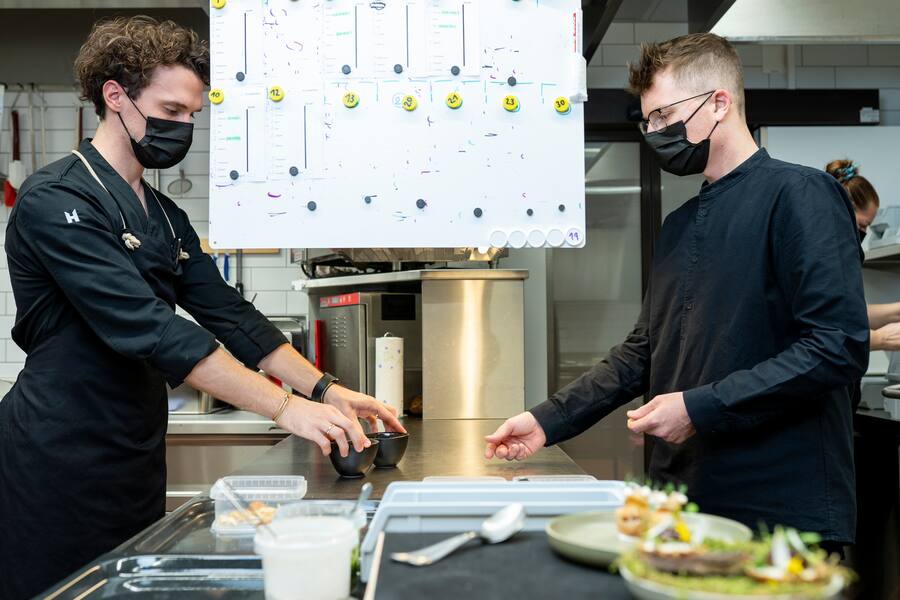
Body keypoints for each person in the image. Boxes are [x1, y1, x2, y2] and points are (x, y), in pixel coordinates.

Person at [0, 16, 404, 600]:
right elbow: (152, 330)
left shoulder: (166, 216)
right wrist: (284, 408)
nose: (184, 126)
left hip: (133, 451)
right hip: (54, 455)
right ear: (115, 96)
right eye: (170, 110)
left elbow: (232, 317)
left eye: (192, 114)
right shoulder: (56, 199)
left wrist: (326, 390)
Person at [485, 33, 868, 551]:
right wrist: (546, 420)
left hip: (779, 512)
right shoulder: (680, 223)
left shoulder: (799, 195)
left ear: (719, 103)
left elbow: (836, 346)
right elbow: (643, 351)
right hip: (685, 503)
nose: (655, 133)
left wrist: (698, 407)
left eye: (665, 116)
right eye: (649, 122)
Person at [826, 159, 900, 354]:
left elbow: (850, 314)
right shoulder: (820, 259)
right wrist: (881, 338)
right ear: (842, 211)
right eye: (861, 225)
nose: (862, 233)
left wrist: (896, 311)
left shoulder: (840, 257)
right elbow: (825, 329)